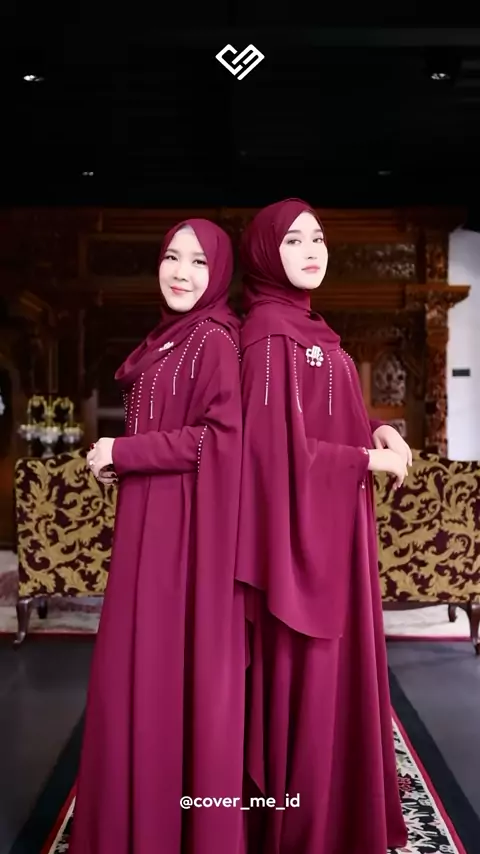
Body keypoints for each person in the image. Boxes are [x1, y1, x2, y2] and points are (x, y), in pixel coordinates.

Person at [236, 199, 410, 854]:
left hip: (334, 528)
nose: (311, 251)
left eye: (318, 238)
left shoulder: (311, 328)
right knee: (308, 674)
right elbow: (271, 456)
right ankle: (307, 828)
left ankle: (337, 818)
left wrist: (378, 428)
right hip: (298, 539)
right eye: (292, 241)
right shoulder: (267, 338)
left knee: (334, 677)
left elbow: (320, 417)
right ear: (263, 253)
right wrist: (368, 460)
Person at [69, 219, 246, 854]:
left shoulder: (214, 339)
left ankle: (176, 828)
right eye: (173, 257)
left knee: (164, 670)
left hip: (183, 532)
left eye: (199, 262)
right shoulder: (168, 339)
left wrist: (125, 450)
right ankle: (133, 823)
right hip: (147, 520)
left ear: (218, 274)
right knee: (133, 672)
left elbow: (218, 439)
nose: (181, 272)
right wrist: (124, 458)